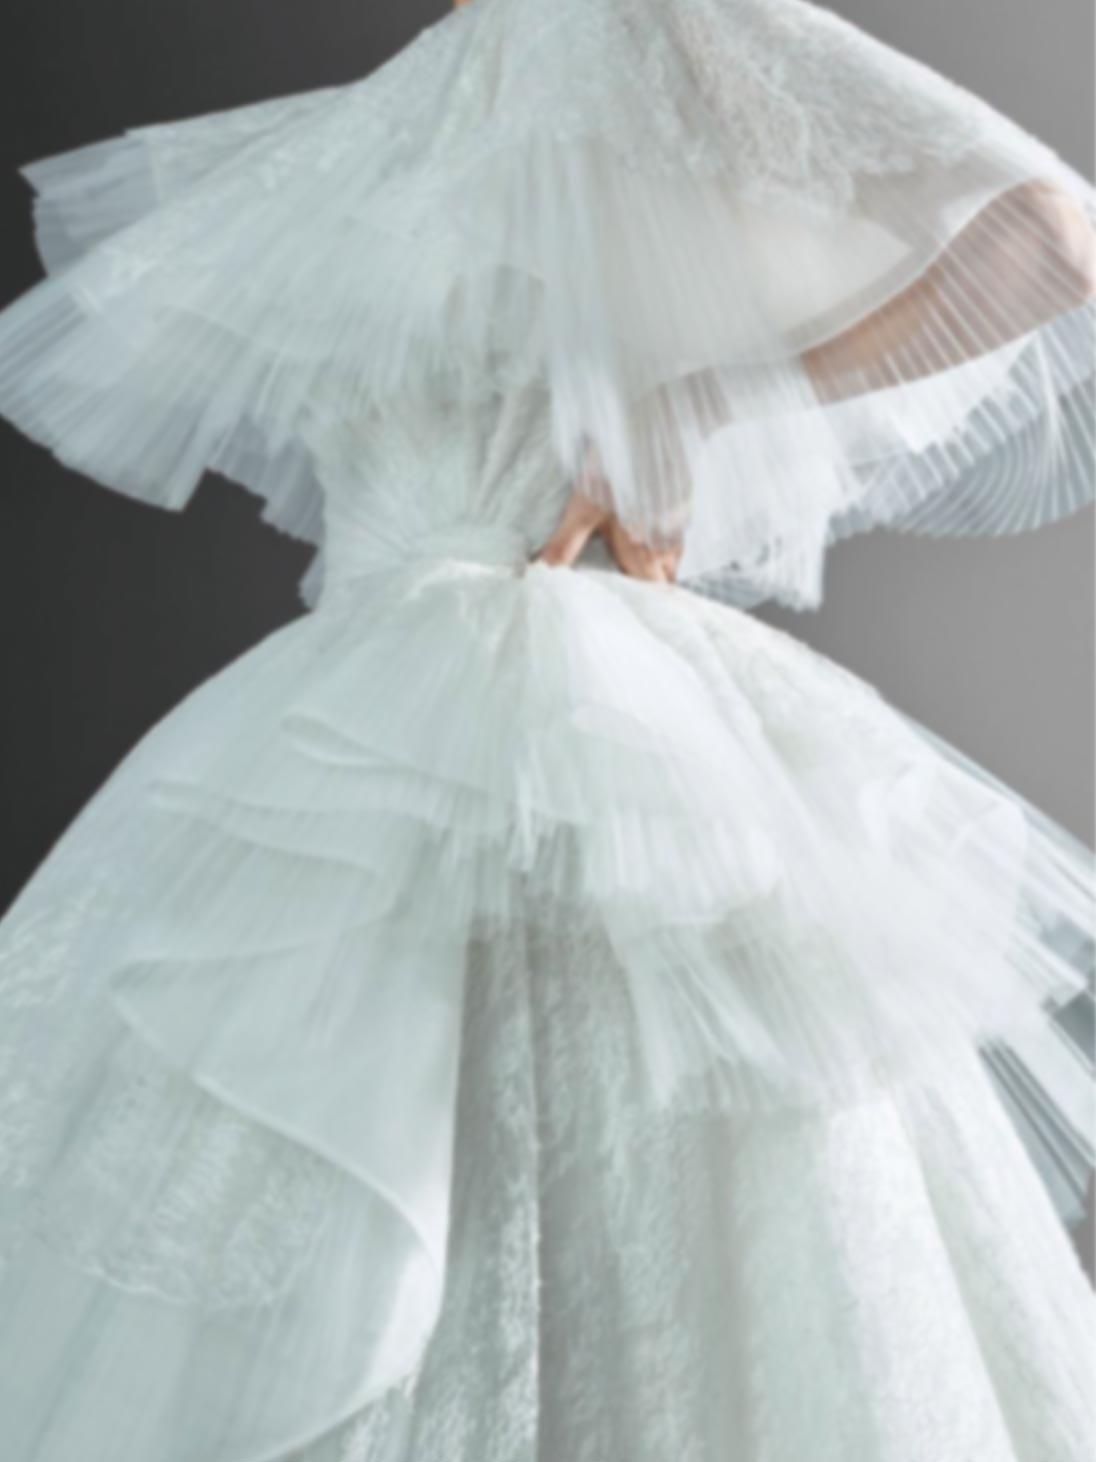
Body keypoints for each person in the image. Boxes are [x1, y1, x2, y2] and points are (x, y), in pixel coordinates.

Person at [0, 2, 1093, 1457]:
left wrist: (701, 405)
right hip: (371, 728)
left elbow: (1051, 238)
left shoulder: (650, 22)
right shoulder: (407, 102)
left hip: (568, 750)